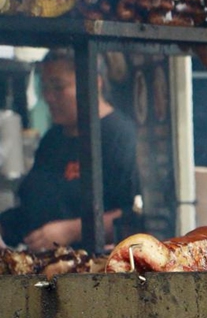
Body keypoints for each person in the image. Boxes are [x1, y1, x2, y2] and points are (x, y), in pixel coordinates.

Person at [0, 48, 139, 251]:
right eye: (44, 87)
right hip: (44, 266)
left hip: (97, 269)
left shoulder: (121, 136)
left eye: (58, 87)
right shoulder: (52, 140)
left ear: (93, 83)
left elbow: (134, 214)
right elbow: (32, 209)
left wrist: (73, 230)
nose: (48, 97)